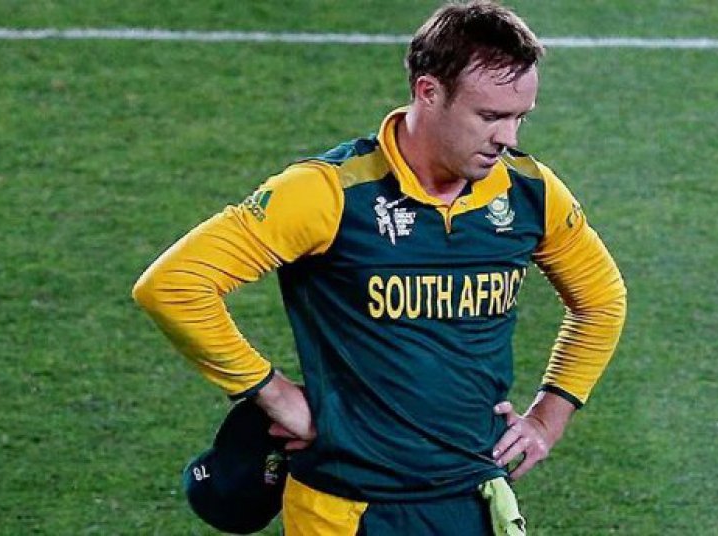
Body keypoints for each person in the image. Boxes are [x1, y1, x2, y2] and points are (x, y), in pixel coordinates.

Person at [133, 1, 627, 534]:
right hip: (346, 508)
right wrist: (273, 393)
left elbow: (601, 301)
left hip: (473, 496)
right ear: (428, 92)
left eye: (519, 117)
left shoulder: (529, 192)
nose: (509, 138)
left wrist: (548, 418)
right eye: (490, 117)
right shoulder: (330, 192)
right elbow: (174, 284)